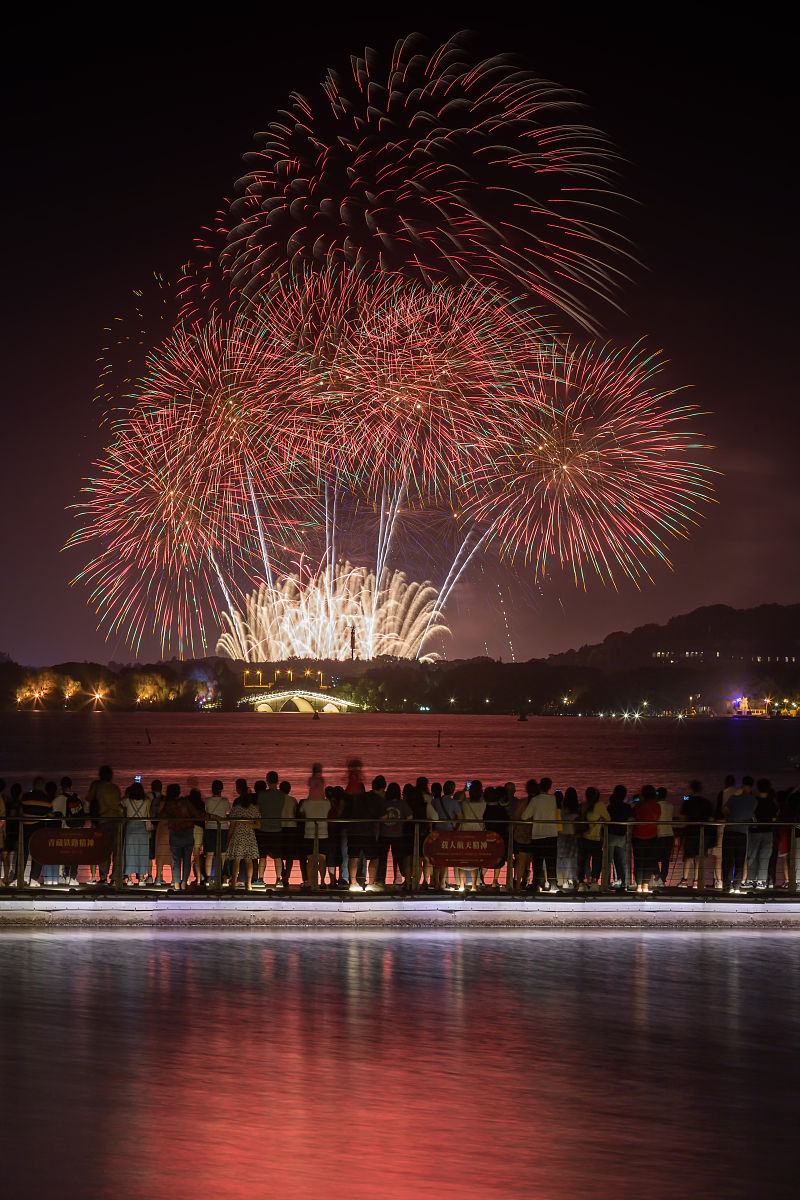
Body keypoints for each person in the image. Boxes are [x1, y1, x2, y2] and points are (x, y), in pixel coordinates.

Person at [86, 766, 123, 886]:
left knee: (103, 851)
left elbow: (88, 800)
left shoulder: (97, 786)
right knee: (117, 851)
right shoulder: (115, 788)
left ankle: (103, 877)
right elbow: (118, 804)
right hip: (117, 821)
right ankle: (115, 877)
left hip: (102, 821)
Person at [164, 784, 203, 891]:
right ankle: (184, 883)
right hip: (187, 833)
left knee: (176, 861)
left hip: (175, 834)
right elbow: (196, 814)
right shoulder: (185, 803)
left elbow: (163, 815)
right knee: (187, 860)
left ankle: (176, 883)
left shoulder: (168, 805)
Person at [347, 777, 383, 891]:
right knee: (374, 857)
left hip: (353, 831)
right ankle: (371, 883)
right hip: (369, 832)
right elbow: (382, 816)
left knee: (353, 857)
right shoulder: (375, 799)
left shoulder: (353, 800)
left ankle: (353, 883)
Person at [722, 776, 757, 893]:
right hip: (742, 832)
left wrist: (732, 816)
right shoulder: (753, 800)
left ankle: (727, 886)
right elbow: (752, 816)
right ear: (752, 786)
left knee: (728, 860)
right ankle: (737, 886)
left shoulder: (734, 798)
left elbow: (725, 811)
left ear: (742, 785)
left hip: (730, 830)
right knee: (739, 861)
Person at [525, 776, 560, 893]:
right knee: (551, 862)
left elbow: (524, 816)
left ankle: (536, 884)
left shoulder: (535, 800)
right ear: (550, 787)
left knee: (538, 862)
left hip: (538, 834)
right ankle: (553, 884)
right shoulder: (553, 799)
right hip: (552, 834)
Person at [225, 781, 260, 892]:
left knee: (237, 861)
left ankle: (233, 883)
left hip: (238, 835)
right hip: (249, 835)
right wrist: (248, 823)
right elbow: (258, 825)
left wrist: (228, 838)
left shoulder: (236, 808)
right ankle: (249, 884)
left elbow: (232, 826)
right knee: (249, 861)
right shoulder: (254, 809)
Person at [300, 763, 328, 890]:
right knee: (322, 859)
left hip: (309, 832)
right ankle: (322, 881)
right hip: (323, 832)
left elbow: (301, 812)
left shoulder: (306, 803)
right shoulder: (326, 803)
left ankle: (310, 882)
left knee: (310, 860)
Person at [255, 772, 286, 887]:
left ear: (267, 781)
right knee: (278, 856)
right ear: (277, 781)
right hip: (277, 828)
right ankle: (278, 880)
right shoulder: (282, 795)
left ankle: (261, 879)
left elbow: (258, 810)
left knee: (262, 856)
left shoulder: (262, 795)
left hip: (263, 829)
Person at [679, 782, 713, 888]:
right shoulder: (707, 802)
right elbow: (711, 819)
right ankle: (696, 881)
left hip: (691, 831)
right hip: (703, 833)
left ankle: (684, 880)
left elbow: (683, 818)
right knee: (699, 857)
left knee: (688, 857)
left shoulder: (688, 802)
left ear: (692, 789)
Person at [379, 781, 412, 888]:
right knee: (399, 858)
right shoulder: (402, 804)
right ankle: (403, 880)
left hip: (384, 834)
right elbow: (410, 817)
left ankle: (380, 880)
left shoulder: (384, 803)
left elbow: (381, 818)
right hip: (398, 834)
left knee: (382, 858)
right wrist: (401, 822)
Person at [746, 778, 777, 890]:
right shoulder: (772, 803)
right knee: (765, 858)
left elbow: (749, 816)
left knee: (752, 856)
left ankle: (749, 880)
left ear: (758, 788)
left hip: (754, 832)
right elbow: (774, 819)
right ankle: (761, 882)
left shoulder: (754, 801)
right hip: (768, 832)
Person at [21, 776, 52, 887]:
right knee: (37, 854)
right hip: (38, 830)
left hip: (25, 829)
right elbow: (49, 814)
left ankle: (18, 878)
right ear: (43, 786)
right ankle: (33, 879)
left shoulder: (26, 796)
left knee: (23, 854)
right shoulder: (47, 799)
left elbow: (22, 809)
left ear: (34, 785)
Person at [457, 779, 486, 893]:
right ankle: (474, 886)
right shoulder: (483, 804)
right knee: (475, 860)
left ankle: (461, 886)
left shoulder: (465, 803)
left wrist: (464, 790)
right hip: (478, 833)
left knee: (462, 859)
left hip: (465, 833)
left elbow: (458, 798)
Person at [578, 787, 609, 892]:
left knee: (582, 861)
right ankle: (595, 883)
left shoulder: (583, 805)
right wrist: (600, 820)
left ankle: (581, 883)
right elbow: (608, 818)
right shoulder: (599, 806)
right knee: (596, 861)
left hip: (583, 837)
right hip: (595, 837)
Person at [631, 785, 660, 893]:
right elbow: (658, 817)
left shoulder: (638, 806)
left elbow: (634, 815)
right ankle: (646, 886)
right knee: (649, 861)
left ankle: (638, 886)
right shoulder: (657, 806)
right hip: (652, 836)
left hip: (638, 836)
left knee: (639, 861)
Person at [484, 784, 513, 889]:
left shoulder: (485, 807)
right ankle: (495, 881)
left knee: (485, 859)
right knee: (499, 858)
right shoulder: (501, 809)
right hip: (500, 837)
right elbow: (507, 822)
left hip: (486, 837)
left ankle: (481, 879)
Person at [123, 780, 150, 885]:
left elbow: (119, 805)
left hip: (130, 828)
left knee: (130, 853)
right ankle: (142, 878)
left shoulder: (127, 801)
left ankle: (129, 878)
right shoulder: (146, 801)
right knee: (142, 854)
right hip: (142, 829)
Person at [203, 779, 229, 885]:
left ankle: (208, 878)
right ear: (221, 790)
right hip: (223, 828)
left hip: (210, 828)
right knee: (223, 854)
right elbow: (227, 810)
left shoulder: (208, 801)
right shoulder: (225, 801)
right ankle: (223, 877)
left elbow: (206, 810)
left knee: (209, 854)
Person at [512, 781, 536, 891]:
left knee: (521, 861)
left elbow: (516, 817)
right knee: (528, 861)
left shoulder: (522, 802)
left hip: (521, 835)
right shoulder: (537, 803)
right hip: (534, 835)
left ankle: (518, 885)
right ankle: (526, 881)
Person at [606, 785, 629, 889]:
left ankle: (606, 883)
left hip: (610, 835)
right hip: (621, 835)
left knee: (608, 861)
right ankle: (623, 882)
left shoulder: (610, 807)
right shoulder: (627, 807)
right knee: (622, 860)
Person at [653, 786, 675, 887]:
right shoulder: (670, 805)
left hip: (659, 834)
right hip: (670, 834)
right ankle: (663, 878)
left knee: (654, 857)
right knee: (665, 859)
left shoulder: (656, 806)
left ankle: (657, 876)